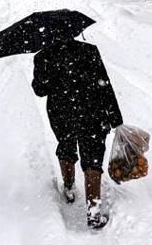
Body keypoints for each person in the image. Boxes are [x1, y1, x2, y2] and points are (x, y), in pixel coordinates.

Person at [32, 36, 123, 229]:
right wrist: (115, 117)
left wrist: (49, 77)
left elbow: (39, 90)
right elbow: (103, 84)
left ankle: (69, 188)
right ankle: (94, 213)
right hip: (92, 110)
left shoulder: (43, 56)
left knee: (66, 145)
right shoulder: (89, 50)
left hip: (61, 112)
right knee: (92, 158)